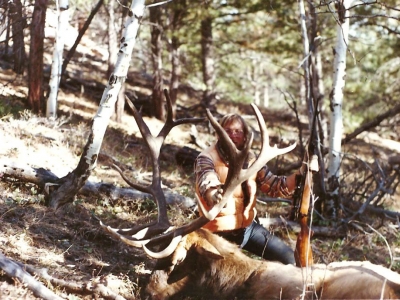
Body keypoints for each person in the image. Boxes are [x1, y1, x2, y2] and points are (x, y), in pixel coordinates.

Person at [194, 113, 306, 265]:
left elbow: (274, 186)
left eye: (237, 131)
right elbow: (206, 178)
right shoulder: (206, 157)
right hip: (217, 233)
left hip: (248, 229)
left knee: (291, 260)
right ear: (218, 133)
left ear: (245, 136)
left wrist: (300, 174)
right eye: (227, 130)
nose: (232, 135)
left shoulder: (251, 159)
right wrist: (213, 193)